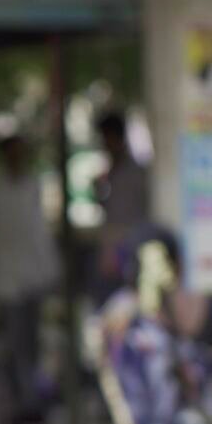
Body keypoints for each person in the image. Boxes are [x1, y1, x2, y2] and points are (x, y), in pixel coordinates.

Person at [0, 135, 60, 424]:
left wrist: (49, 272)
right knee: (11, 346)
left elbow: (38, 233)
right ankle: (17, 405)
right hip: (4, 281)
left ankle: (31, 403)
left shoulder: (32, 185)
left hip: (32, 277)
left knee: (31, 345)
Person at [94, 111, 151, 301]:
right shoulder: (111, 173)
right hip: (115, 250)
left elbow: (131, 215)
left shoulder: (134, 172)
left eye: (106, 138)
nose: (104, 144)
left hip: (128, 249)